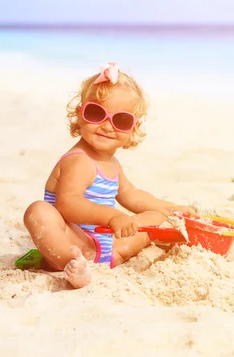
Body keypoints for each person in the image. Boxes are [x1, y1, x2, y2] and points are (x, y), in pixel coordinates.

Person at [23, 62, 195, 289]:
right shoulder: (79, 160)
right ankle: (71, 263)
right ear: (79, 115)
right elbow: (68, 203)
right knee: (39, 211)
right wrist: (112, 217)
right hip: (75, 242)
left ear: (133, 128)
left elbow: (131, 196)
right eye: (96, 113)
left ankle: (115, 254)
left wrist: (169, 209)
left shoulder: (111, 163)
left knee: (153, 217)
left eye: (121, 120)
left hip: (104, 246)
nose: (107, 126)